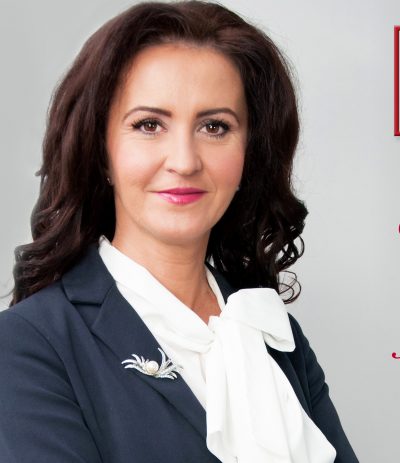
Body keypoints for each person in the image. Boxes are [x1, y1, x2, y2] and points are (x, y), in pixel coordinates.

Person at [0, 1, 359, 462]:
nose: (185, 161)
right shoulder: (29, 344)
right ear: (102, 151)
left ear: (248, 153)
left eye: (215, 127)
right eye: (149, 125)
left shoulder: (275, 334)